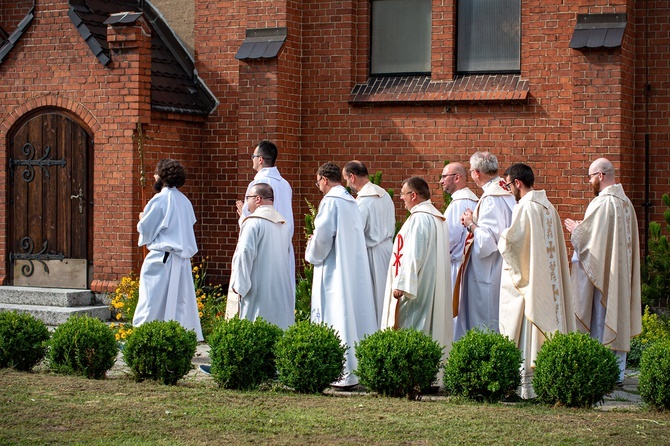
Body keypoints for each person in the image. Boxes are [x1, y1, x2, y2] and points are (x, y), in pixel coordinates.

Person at [498, 163, 575, 399]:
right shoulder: (548, 206)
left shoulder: (525, 207)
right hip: (546, 280)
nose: (509, 189)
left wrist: (500, 238)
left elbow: (514, 244)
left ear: (518, 183)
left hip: (530, 282)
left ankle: (524, 387)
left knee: (525, 327)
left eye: (509, 184)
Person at [564, 158, 642, 383]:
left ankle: (602, 372)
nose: (589, 181)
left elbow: (590, 243)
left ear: (600, 175)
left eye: (590, 177)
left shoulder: (602, 203)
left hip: (604, 279)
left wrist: (577, 231)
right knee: (617, 315)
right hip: (619, 276)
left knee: (602, 319)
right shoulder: (626, 203)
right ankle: (616, 371)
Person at [305, 162, 378, 388]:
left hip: (334, 271)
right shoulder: (351, 202)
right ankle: (358, 369)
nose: (318, 188)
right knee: (353, 315)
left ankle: (341, 372)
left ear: (325, 180)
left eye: (318, 183)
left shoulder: (330, 202)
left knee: (337, 314)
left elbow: (324, 238)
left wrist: (311, 250)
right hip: (353, 268)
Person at [380, 177, 452, 367]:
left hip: (416, 288)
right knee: (428, 328)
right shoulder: (438, 218)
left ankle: (413, 376)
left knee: (413, 327)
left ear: (414, 195)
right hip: (430, 284)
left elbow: (413, 254)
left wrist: (402, 283)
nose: (401, 199)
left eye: (403, 194)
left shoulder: (419, 219)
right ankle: (430, 376)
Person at [133, 159, 203, 341]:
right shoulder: (185, 201)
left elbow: (146, 229)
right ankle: (176, 339)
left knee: (151, 302)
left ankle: (143, 338)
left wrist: (142, 219)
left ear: (162, 176)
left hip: (161, 259)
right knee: (180, 304)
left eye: (156, 173)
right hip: (181, 261)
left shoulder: (160, 199)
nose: (154, 176)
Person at [454, 151, 516, 341]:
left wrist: (470, 223)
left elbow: (487, 243)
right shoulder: (509, 192)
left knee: (485, 322)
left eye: (471, 170)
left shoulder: (490, 198)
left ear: (477, 173)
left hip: (487, 271)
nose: (471, 173)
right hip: (503, 267)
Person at [228, 183, 294, 330]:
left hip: (257, 290)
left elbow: (244, 253)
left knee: (256, 328)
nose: (246, 203)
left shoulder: (253, 222)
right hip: (280, 288)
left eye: (248, 198)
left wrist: (240, 286)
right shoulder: (283, 224)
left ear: (257, 199)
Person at [236, 140, 295, 298]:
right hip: (285, 244)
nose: (252, 160)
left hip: (264, 248)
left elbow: (252, 221)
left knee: (262, 299)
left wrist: (243, 216)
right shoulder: (285, 184)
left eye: (253, 156)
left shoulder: (257, 184)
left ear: (260, 159)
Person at [343, 160, 396, 327]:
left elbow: (356, 230)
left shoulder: (364, 200)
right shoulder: (385, 195)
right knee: (385, 297)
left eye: (346, 179)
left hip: (372, 253)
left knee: (373, 299)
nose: (346, 183)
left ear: (352, 177)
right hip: (388, 249)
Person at [439, 162, 479, 295]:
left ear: (457, 178)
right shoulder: (474, 200)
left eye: (444, 177)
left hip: (456, 268)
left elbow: (448, 238)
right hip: (471, 266)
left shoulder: (458, 203)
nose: (441, 181)